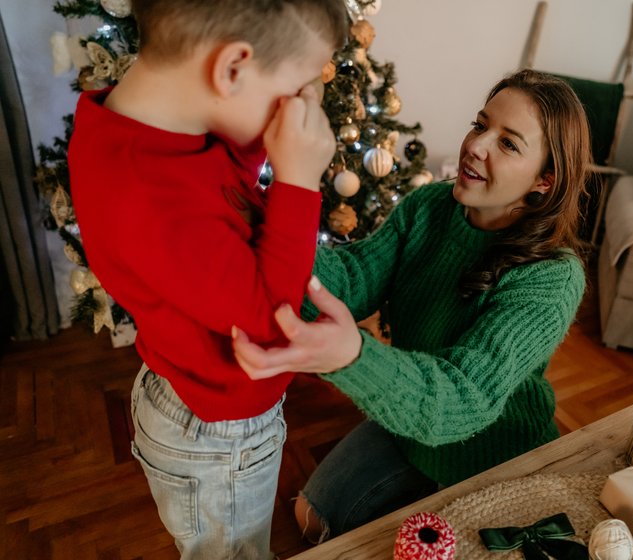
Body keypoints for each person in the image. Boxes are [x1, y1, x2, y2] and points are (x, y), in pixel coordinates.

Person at [232, 69, 592, 542]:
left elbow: (462, 399)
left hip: (495, 457)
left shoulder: (552, 276)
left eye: (508, 144)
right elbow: (352, 278)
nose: (477, 146)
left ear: (545, 180)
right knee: (309, 517)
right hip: (409, 422)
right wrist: (279, 210)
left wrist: (352, 356)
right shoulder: (430, 206)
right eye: (481, 124)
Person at [67, 1, 348, 558]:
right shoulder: (148, 199)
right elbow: (274, 322)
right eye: (295, 89)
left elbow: (219, 186)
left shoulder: (142, 128)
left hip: (192, 390)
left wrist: (263, 137)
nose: (301, 107)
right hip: (219, 437)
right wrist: (297, 179)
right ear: (232, 69)